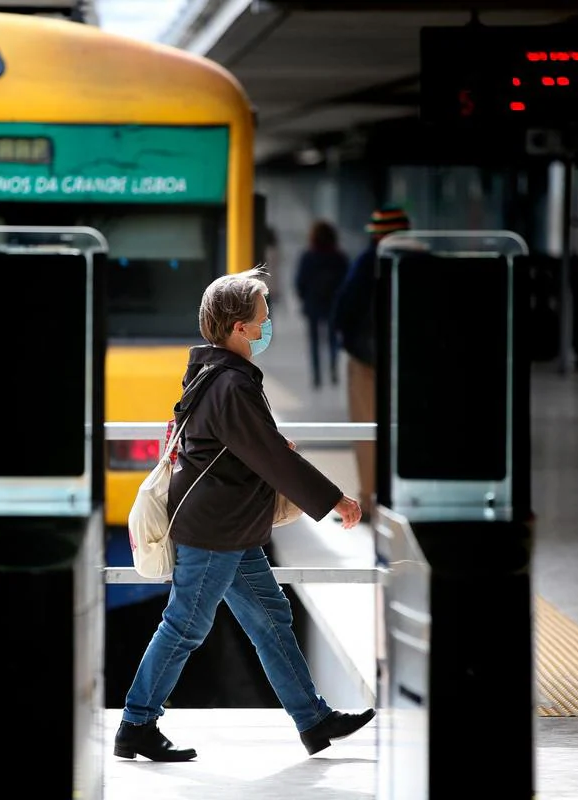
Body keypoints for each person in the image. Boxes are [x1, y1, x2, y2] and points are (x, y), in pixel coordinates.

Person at [114, 266, 375, 762]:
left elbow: (252, 447)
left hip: (229, 529)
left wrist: (270, 446)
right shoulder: (231, 386)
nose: (267, 325)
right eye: (263, 318)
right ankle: (137, 723)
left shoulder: (215, 376)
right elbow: (272, 458)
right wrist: (334, 500)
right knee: (185, 626)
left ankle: (313, 720)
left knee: (271, 618)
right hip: (215, 534)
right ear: (239, 328)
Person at [330, 205, 411, 521]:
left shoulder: (368, 261)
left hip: (366, 361)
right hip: (409, 363)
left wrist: (345, 339)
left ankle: (369, 499)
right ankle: (404, 498)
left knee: (367, 429)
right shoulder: (421, 262)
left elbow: (344, 307)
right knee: (405, 429)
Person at [294, 220, 349, 389]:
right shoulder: (339, 257)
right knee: (333, 338)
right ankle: (332, 367)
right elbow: (346, 282)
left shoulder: (308, 256)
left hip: (313, 303)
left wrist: (304, 297)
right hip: (333, 303)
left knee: (314, 341)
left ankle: (316, 375)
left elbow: (300, 281)